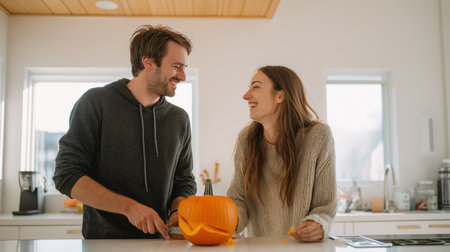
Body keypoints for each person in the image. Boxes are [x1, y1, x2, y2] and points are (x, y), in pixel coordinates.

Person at [53, 25, 197, 239]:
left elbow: (184, 179)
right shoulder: (96, 102)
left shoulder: (179, 118)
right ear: (148, 62)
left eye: (184, 67)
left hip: (162, 242)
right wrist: (129, 208)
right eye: (176, 66)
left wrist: (178, 209)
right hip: (103, 243)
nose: (183, 76)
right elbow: (67, 175)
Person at [226, 65, 337, 242]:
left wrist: (318, 224)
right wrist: (227, 223)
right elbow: (238, 199)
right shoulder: (246, 138)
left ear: (280, 95)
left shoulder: (318, 136)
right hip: (258, 248)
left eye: (255, 86)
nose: (246, 95)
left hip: (303, 248)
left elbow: (325, 206)